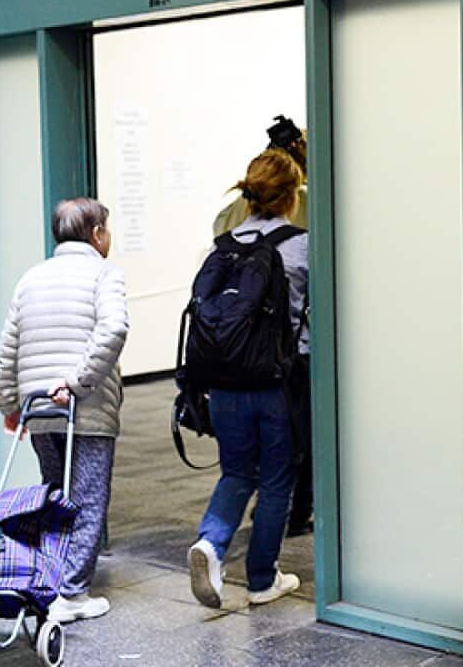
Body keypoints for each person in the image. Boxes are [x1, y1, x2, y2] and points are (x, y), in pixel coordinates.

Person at [0, 198, 129, 624]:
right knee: (87, 498)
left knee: (54, 492)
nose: (109, 236)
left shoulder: (30, 278)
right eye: (106, 228)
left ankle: (50, 581)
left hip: (39, 411)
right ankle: (72, 594)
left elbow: (6, 352)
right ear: (95, 234)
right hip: (84, 409)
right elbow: (114, 328)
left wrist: (12, 407)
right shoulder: (104, 273)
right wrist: (78, 383)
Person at [189, 149, 308, 608]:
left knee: (237, 472)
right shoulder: (301, 246)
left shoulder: (224, 245)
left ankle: (210, 545)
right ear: (290, 196)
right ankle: (262, 580)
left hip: (224, 382)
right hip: (279, 381)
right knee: (278, 478)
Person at [213, 115, 314, 538]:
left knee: (238, 468)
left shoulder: (227, 223)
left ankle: (212, 539)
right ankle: (288, 526)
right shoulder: (306, 215)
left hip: (232, 357)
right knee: (293, 453)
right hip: (289, 358)